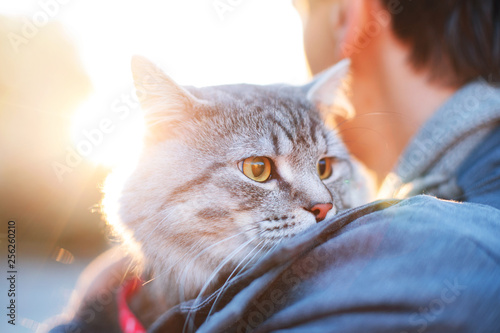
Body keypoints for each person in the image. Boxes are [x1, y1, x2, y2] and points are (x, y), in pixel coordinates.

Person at [49, 0, 500, 332]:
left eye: (323, 167)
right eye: (262, 170)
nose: (320, 204)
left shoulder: (443, 247)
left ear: (347, 17)